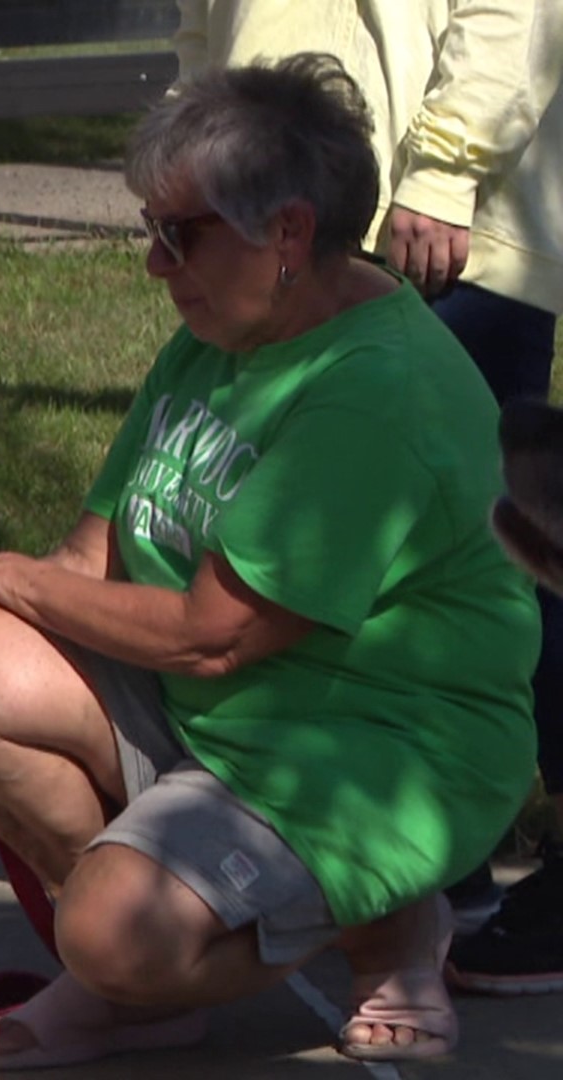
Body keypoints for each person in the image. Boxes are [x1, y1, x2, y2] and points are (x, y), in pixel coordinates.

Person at [0, 54, 537, 1068]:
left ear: (287, 234)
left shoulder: (373, 392)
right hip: (229, 715)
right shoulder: (221, 333)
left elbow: (213, 637)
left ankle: (385, 922)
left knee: (107, 930)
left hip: (365, 752)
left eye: (177, 236)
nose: (153, 265)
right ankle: (142, 980)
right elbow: (89, 559)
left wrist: (1, 576)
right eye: (151, 231)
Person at [174, 0, 563, 992]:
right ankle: (432, 873)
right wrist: (192, 152)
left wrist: (440, 173)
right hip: (278, 228)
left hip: (444, 232)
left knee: (499, 574)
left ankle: (465, 867)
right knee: (334, 578)